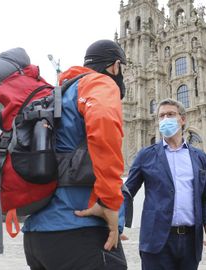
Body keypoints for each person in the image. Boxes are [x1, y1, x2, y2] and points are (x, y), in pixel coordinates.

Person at [22, 39, 128, 270]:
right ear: (116, 66)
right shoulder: (100, 82)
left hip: (37, 237)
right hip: (79, 230)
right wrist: (109, 204)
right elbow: (104, 124)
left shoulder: (58, 94)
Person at [124, 98, 206, 270]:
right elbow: (126, 192)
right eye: (161, 116)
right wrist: (118, 223)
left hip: (190, 243)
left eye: (171, 114)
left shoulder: (200, 157)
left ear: (182, 119)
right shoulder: (146, 155)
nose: (165, 119)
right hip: (156, 242)